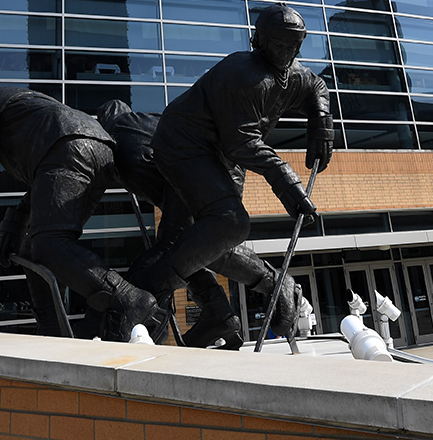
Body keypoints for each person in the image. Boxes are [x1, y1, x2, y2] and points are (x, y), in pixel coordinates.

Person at [128, 3, 335, 333]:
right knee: (225, 225)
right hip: (187, 146)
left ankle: (215, 311)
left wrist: (321, 121)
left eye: (291, 46)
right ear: (258, 41)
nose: (284, 53)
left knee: (209, 237)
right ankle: (146, 289)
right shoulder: (242, 74)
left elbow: (316, 87)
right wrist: (284, 180)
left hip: (229, 156)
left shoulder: (293, 74)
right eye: (277, 44)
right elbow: (242, 142)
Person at [0, 87, 162, 342]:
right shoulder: (28, 108)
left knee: (49, 245)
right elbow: (44, 184)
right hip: (97, 150)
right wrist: (14, 224)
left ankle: (129, 299)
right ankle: (51, 328)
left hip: (67, 145)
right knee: (36, 250)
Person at [97, 99, 295, 350]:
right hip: (208, 167)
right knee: (192, 249)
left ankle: (270, 284)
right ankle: (219, 314)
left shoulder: (115, 140)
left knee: (180, 250)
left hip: (200, 170)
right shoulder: (142, 119)